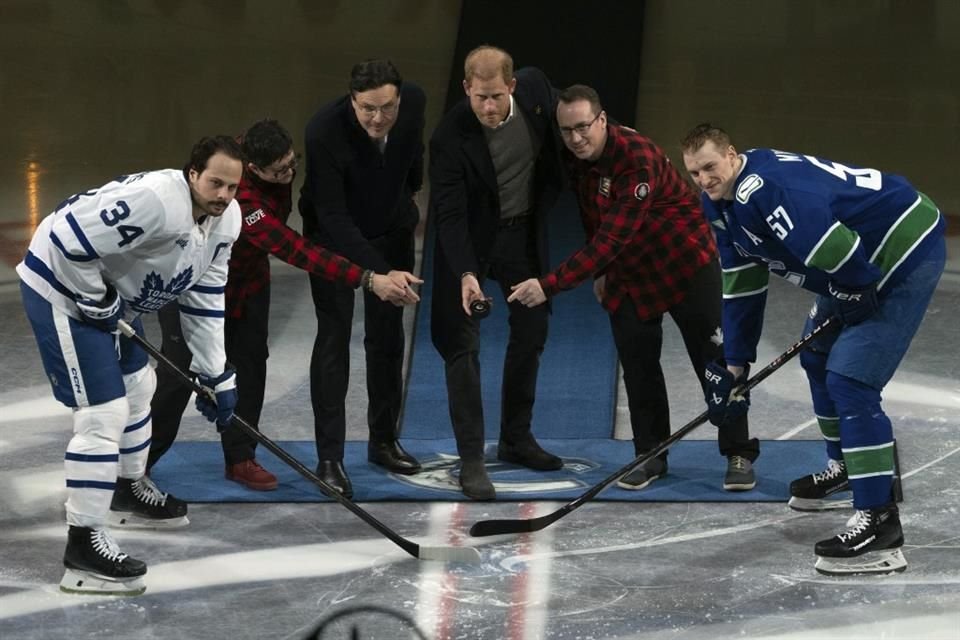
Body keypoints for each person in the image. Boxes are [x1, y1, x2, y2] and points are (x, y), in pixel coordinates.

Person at [680, 123, 945, 575]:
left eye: (710, 167)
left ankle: (881, 523)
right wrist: (736, 362)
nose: (704, 179)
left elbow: (832, 245)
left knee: (851, 380)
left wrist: (857, 290)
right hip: (853, 264)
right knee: (818, 357)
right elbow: (741, 281)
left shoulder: (763, 190)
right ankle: (846, 468)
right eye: (694, 173)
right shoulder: (720, 204)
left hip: (899, 249)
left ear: (731, 154)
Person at [17, 135, 247, 595]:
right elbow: (67, 238)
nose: (223, 195)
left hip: (111, 300)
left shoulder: (226, 222)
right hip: (61, 289)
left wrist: (216, 372)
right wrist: (95, 297)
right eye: (215, 183)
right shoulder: (157, 203)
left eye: (232, 187)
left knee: (141, 386)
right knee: (103, 414)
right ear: (192, 174)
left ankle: (126, 489)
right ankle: (82, 546)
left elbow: (203, 295)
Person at [509, 85, 759, 492]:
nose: (576, 138)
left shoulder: (635, 158)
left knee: (716, 362)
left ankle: (739, 452)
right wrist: (602, 273)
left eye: (584, 127)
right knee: (639, 367)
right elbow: (595, 217)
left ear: (603, 120)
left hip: (683, 264)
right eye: (567, 130)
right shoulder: (577, 158)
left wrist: (548, 285)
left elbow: (610, 240)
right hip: (628, 272)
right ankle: (650, 455)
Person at [147, 119, 418, 492]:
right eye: (280, 171)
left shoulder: (265, 156)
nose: (290, 173)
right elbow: (293, 247)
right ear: (254, 169)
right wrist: (370, 279)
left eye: (293, 163)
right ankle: (138, 465)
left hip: (249, 284)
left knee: (251, 368)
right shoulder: (240, 198)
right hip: (192, 288)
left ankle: (241, 457)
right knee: (178, 377)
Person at [429, 45, 566, 500]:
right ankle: (472, 459)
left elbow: (571, 112)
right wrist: (466, 272)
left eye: (495, 96)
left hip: (520, 234)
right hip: (467, 240)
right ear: (466, 88)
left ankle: (515, 439)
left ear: (512, 86)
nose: (487, 107)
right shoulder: (450, 136)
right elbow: (447, 215)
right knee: (461, 343)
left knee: (532, 327)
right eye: (478, 97)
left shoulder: (537, 91)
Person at [299, 60, 425, 498]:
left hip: (391, 231)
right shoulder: (323, 132)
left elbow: (412, 160)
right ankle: (329, 458)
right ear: (352, 100)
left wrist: (406, 207)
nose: (377, 118)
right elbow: (332, 215)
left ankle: (384, 440)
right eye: (367, 108)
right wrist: (377, 273)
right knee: (334, 341)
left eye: (386, 108)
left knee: (388, 339)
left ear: (400, 100)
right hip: (332, 238)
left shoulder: (414, 106)